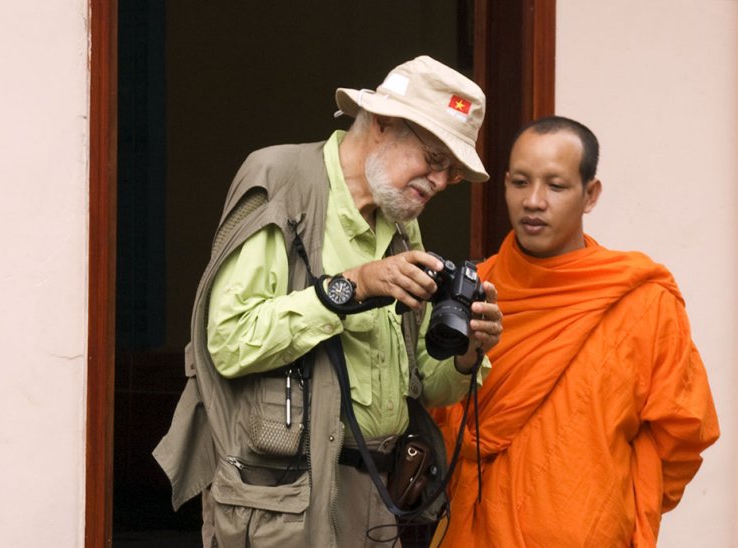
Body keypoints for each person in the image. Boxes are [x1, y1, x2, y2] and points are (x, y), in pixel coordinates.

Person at [152, 55, 504, 547]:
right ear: (382, 123)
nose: (442, 182)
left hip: (378, 499)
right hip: (284, 504)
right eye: (435, 158)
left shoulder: (401, 220)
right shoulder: (282, 180)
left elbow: (427, 386)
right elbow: (228, 343)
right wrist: (353, 286)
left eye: (454, 173)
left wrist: (467, 354)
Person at [432, 116, 720, 547]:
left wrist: (612, 508)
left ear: (590, 195)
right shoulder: (473, 293)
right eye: (520, 182)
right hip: (478, 533)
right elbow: (437, 414)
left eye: (556, 186)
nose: (533, 201)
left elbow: (682, 435)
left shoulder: (640, 299)